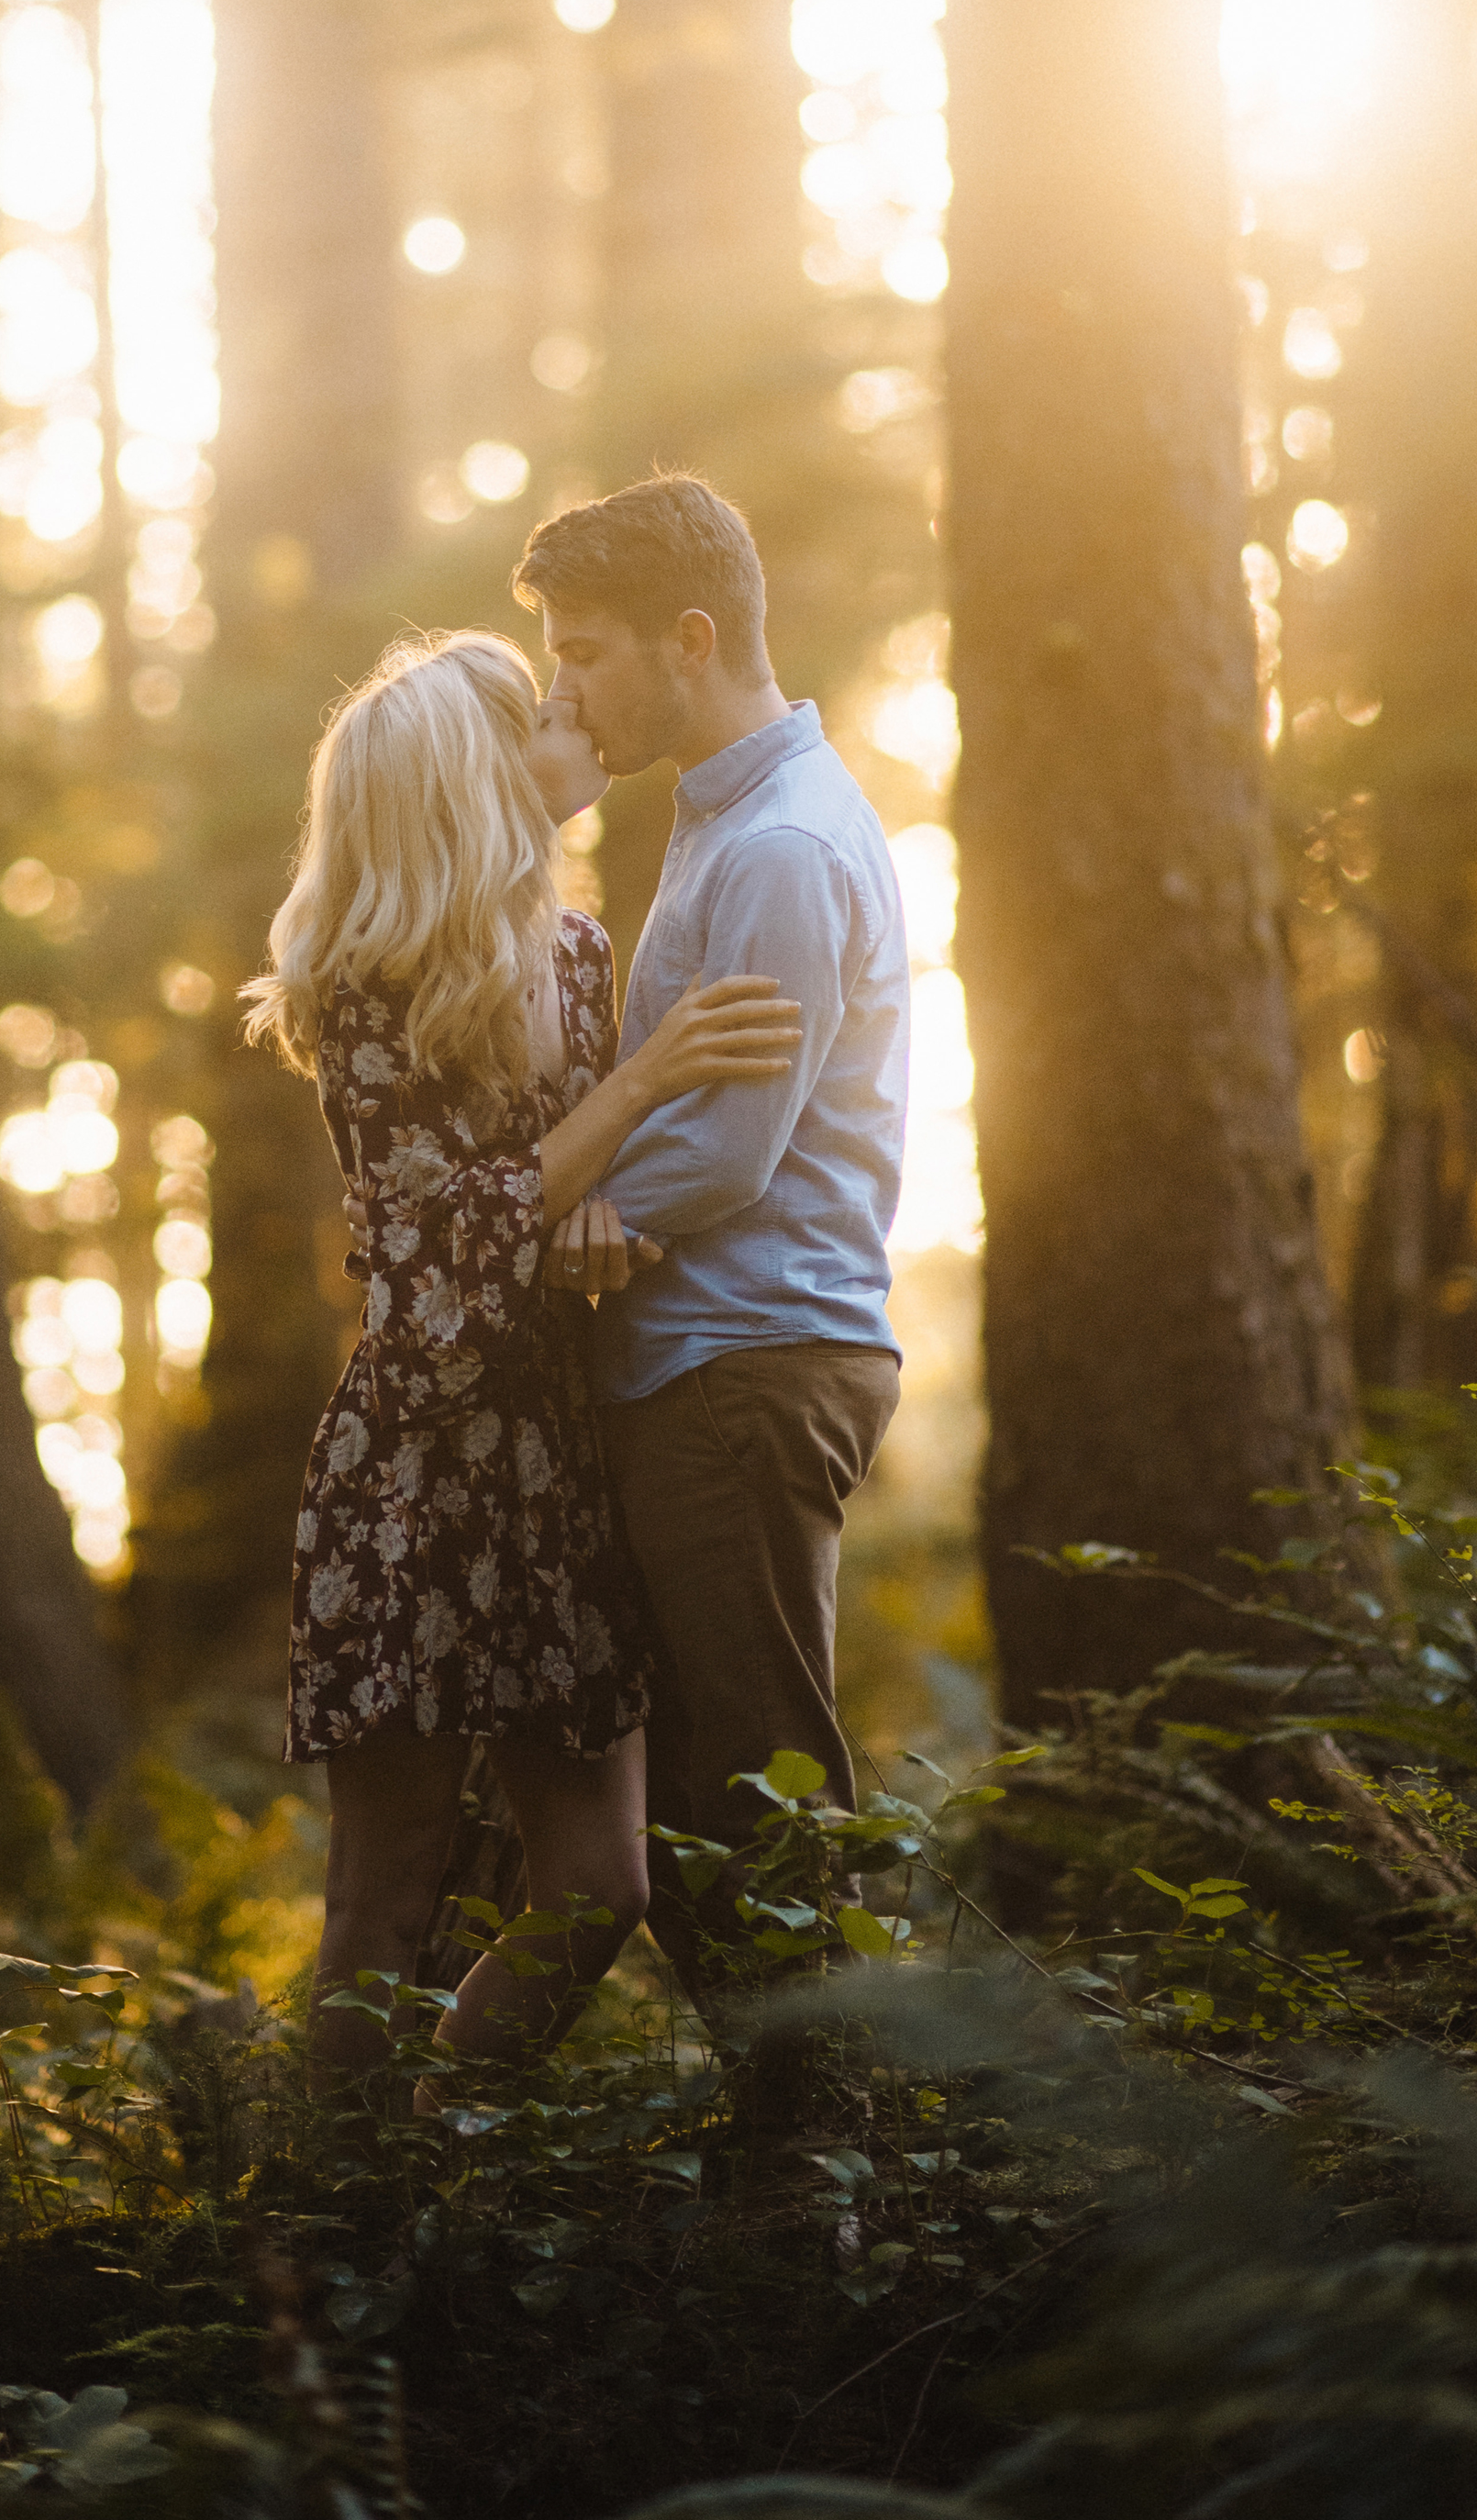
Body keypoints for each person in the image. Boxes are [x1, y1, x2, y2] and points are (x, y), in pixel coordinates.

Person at [242, 629, 801, 2081]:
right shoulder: (367, 988)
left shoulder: (579, 948)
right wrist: (641, 1085)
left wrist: (605, 1218)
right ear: (483, 777)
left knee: (597, 1887)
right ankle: (340, 2243)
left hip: (556, 1456)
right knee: (385, 1895)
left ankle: (431, 2160)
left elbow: (551, 1199)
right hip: (417, 1474)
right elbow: (441, 1254)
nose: (584, 724)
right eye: (551, 713)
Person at [514, 475, 912, 2004]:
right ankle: (788, 2151)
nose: (569, 691)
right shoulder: (726, 819)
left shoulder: (784, 848)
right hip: (701, 1352)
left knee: (757, 1792)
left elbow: (738, 1145)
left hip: (747, 1359)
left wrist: (573, 1218)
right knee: (696, 1802)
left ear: (691, 639)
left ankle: (824, 2177)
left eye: (590, 653)